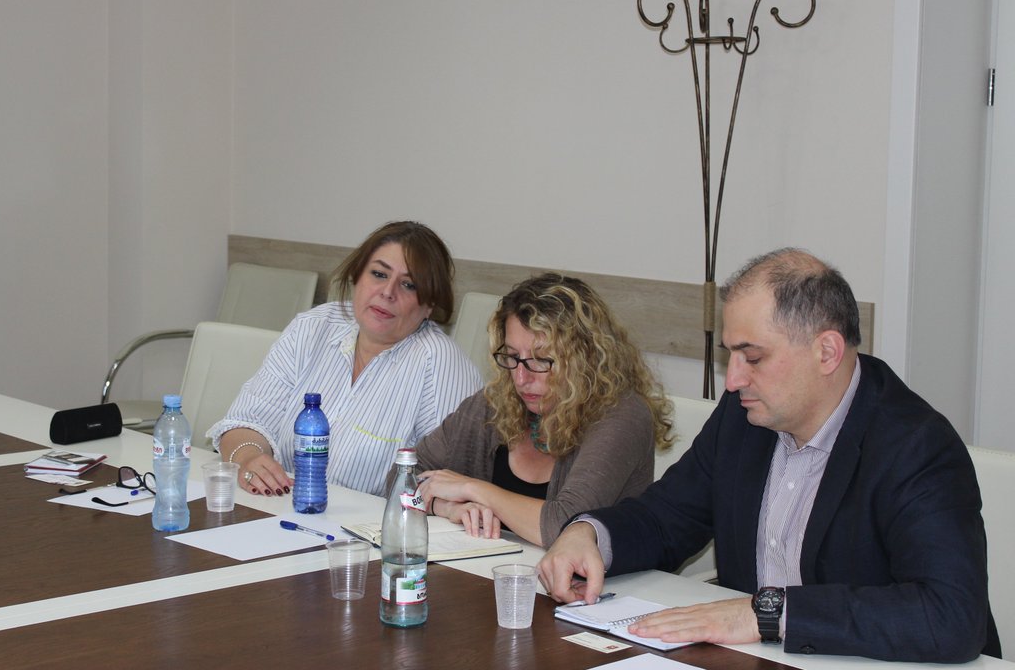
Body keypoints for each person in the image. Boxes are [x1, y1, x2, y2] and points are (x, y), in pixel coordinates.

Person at [537, 248, 1000, 663]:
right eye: (730, 356)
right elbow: (666, 518)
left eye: (753, 357)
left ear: (826, 351)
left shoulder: (915, 444)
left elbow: (950, 616)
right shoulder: (743, 417)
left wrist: (765, 613)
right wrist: (588, 534)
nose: (734, 380)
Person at [209, 221, 482, 498]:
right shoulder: (314, 326)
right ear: (356, 276)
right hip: (282, 507)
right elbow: (245, 421)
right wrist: (249, 458)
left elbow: (449, 486)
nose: (388, 292)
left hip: (373, 524)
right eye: (378, 274)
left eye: (409, 285)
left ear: (429, 306)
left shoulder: (442, 365)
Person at [413, 274, 674, 547]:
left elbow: (566, 525)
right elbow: (401, 477)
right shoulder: (495, 402)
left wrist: (472, 489)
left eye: (541, 360)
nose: (521, 378)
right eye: (513, 356)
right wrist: (445, 506)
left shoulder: (622, 415)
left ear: (584, 359)